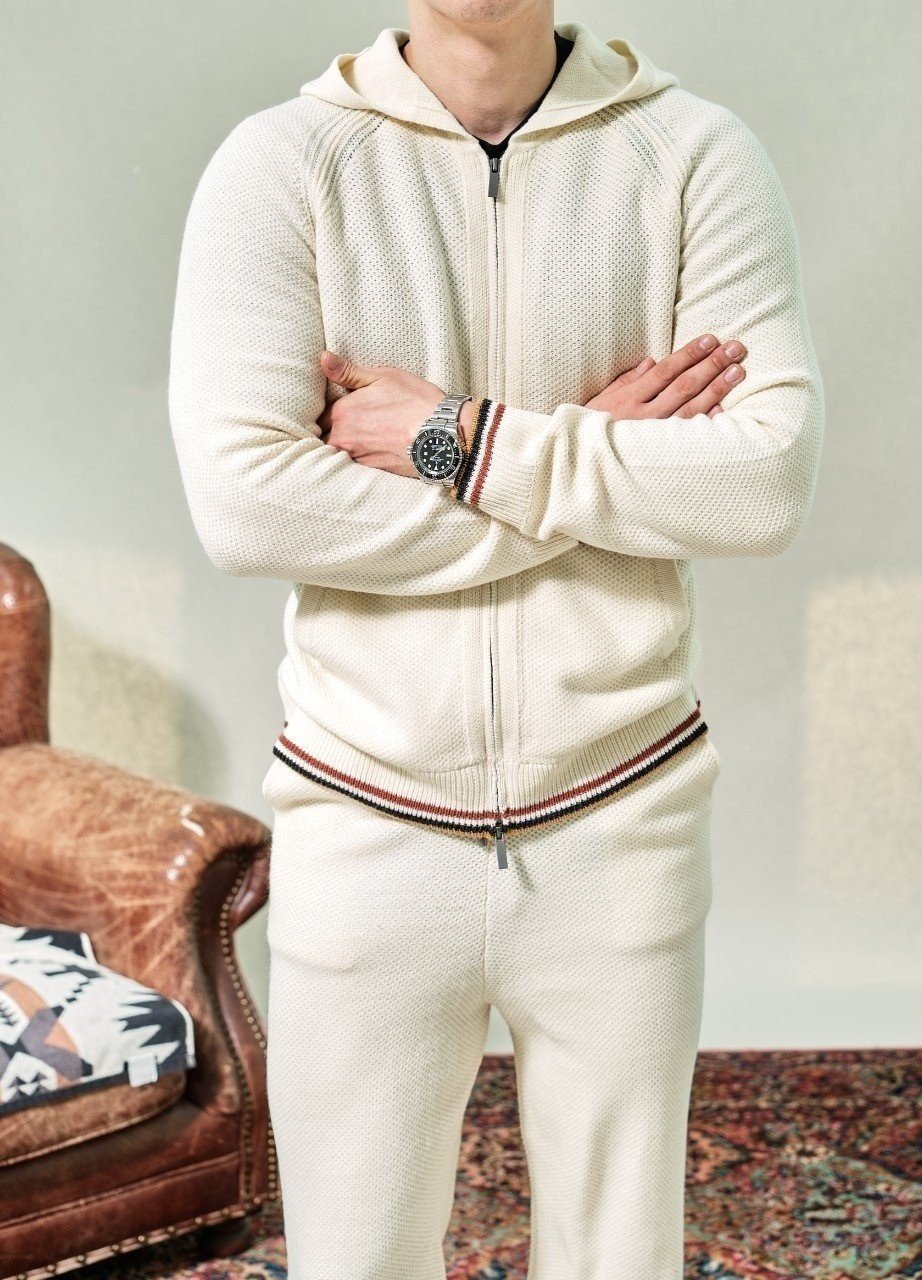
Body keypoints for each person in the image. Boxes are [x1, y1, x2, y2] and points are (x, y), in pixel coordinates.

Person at [168, 1, 824, 1275]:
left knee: (617, 1257)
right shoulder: (282, 163)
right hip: (364, 819)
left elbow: (761, 484)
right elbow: (249, 506)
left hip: (621, 813)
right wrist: (591, 459)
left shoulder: (694, 154)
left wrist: (457, 440)